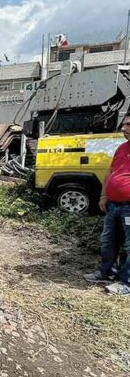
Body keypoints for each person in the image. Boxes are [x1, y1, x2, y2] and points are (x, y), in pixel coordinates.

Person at [84, 113, 130, 296]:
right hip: (113, 205)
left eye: (128, 124)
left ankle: (126, 283)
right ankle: (106, 273)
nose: (123, 128)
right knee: (108, 241)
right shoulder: (122, 148)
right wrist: (104, 196)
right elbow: (111, 172)